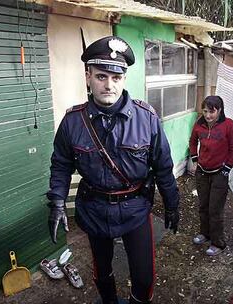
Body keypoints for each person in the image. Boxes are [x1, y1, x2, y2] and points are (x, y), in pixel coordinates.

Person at [46, 36, 180, 304]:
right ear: (88, 77)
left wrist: (172, 204)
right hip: (95, 208)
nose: (109, 84)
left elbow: (163, 166)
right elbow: (61, 163)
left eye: (116, 77)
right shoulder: (73, 122)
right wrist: (58, 201)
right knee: (102, 271)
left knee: (143, 276)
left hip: (136, 208)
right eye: (101, 76)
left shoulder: (147, 118)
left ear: (124, 79)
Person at [189, 95, 233, 256]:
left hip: (219, 173)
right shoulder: (199, 123)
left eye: (212, 111)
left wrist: (227, 168)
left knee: (215, 210)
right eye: (205, 111)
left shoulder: (229, 125)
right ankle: (205, 234)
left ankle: (218, 243)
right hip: (202, 172)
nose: (208, 115)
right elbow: (192, 141)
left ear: (220, 110)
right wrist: (195, 159)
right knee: (203, 206)